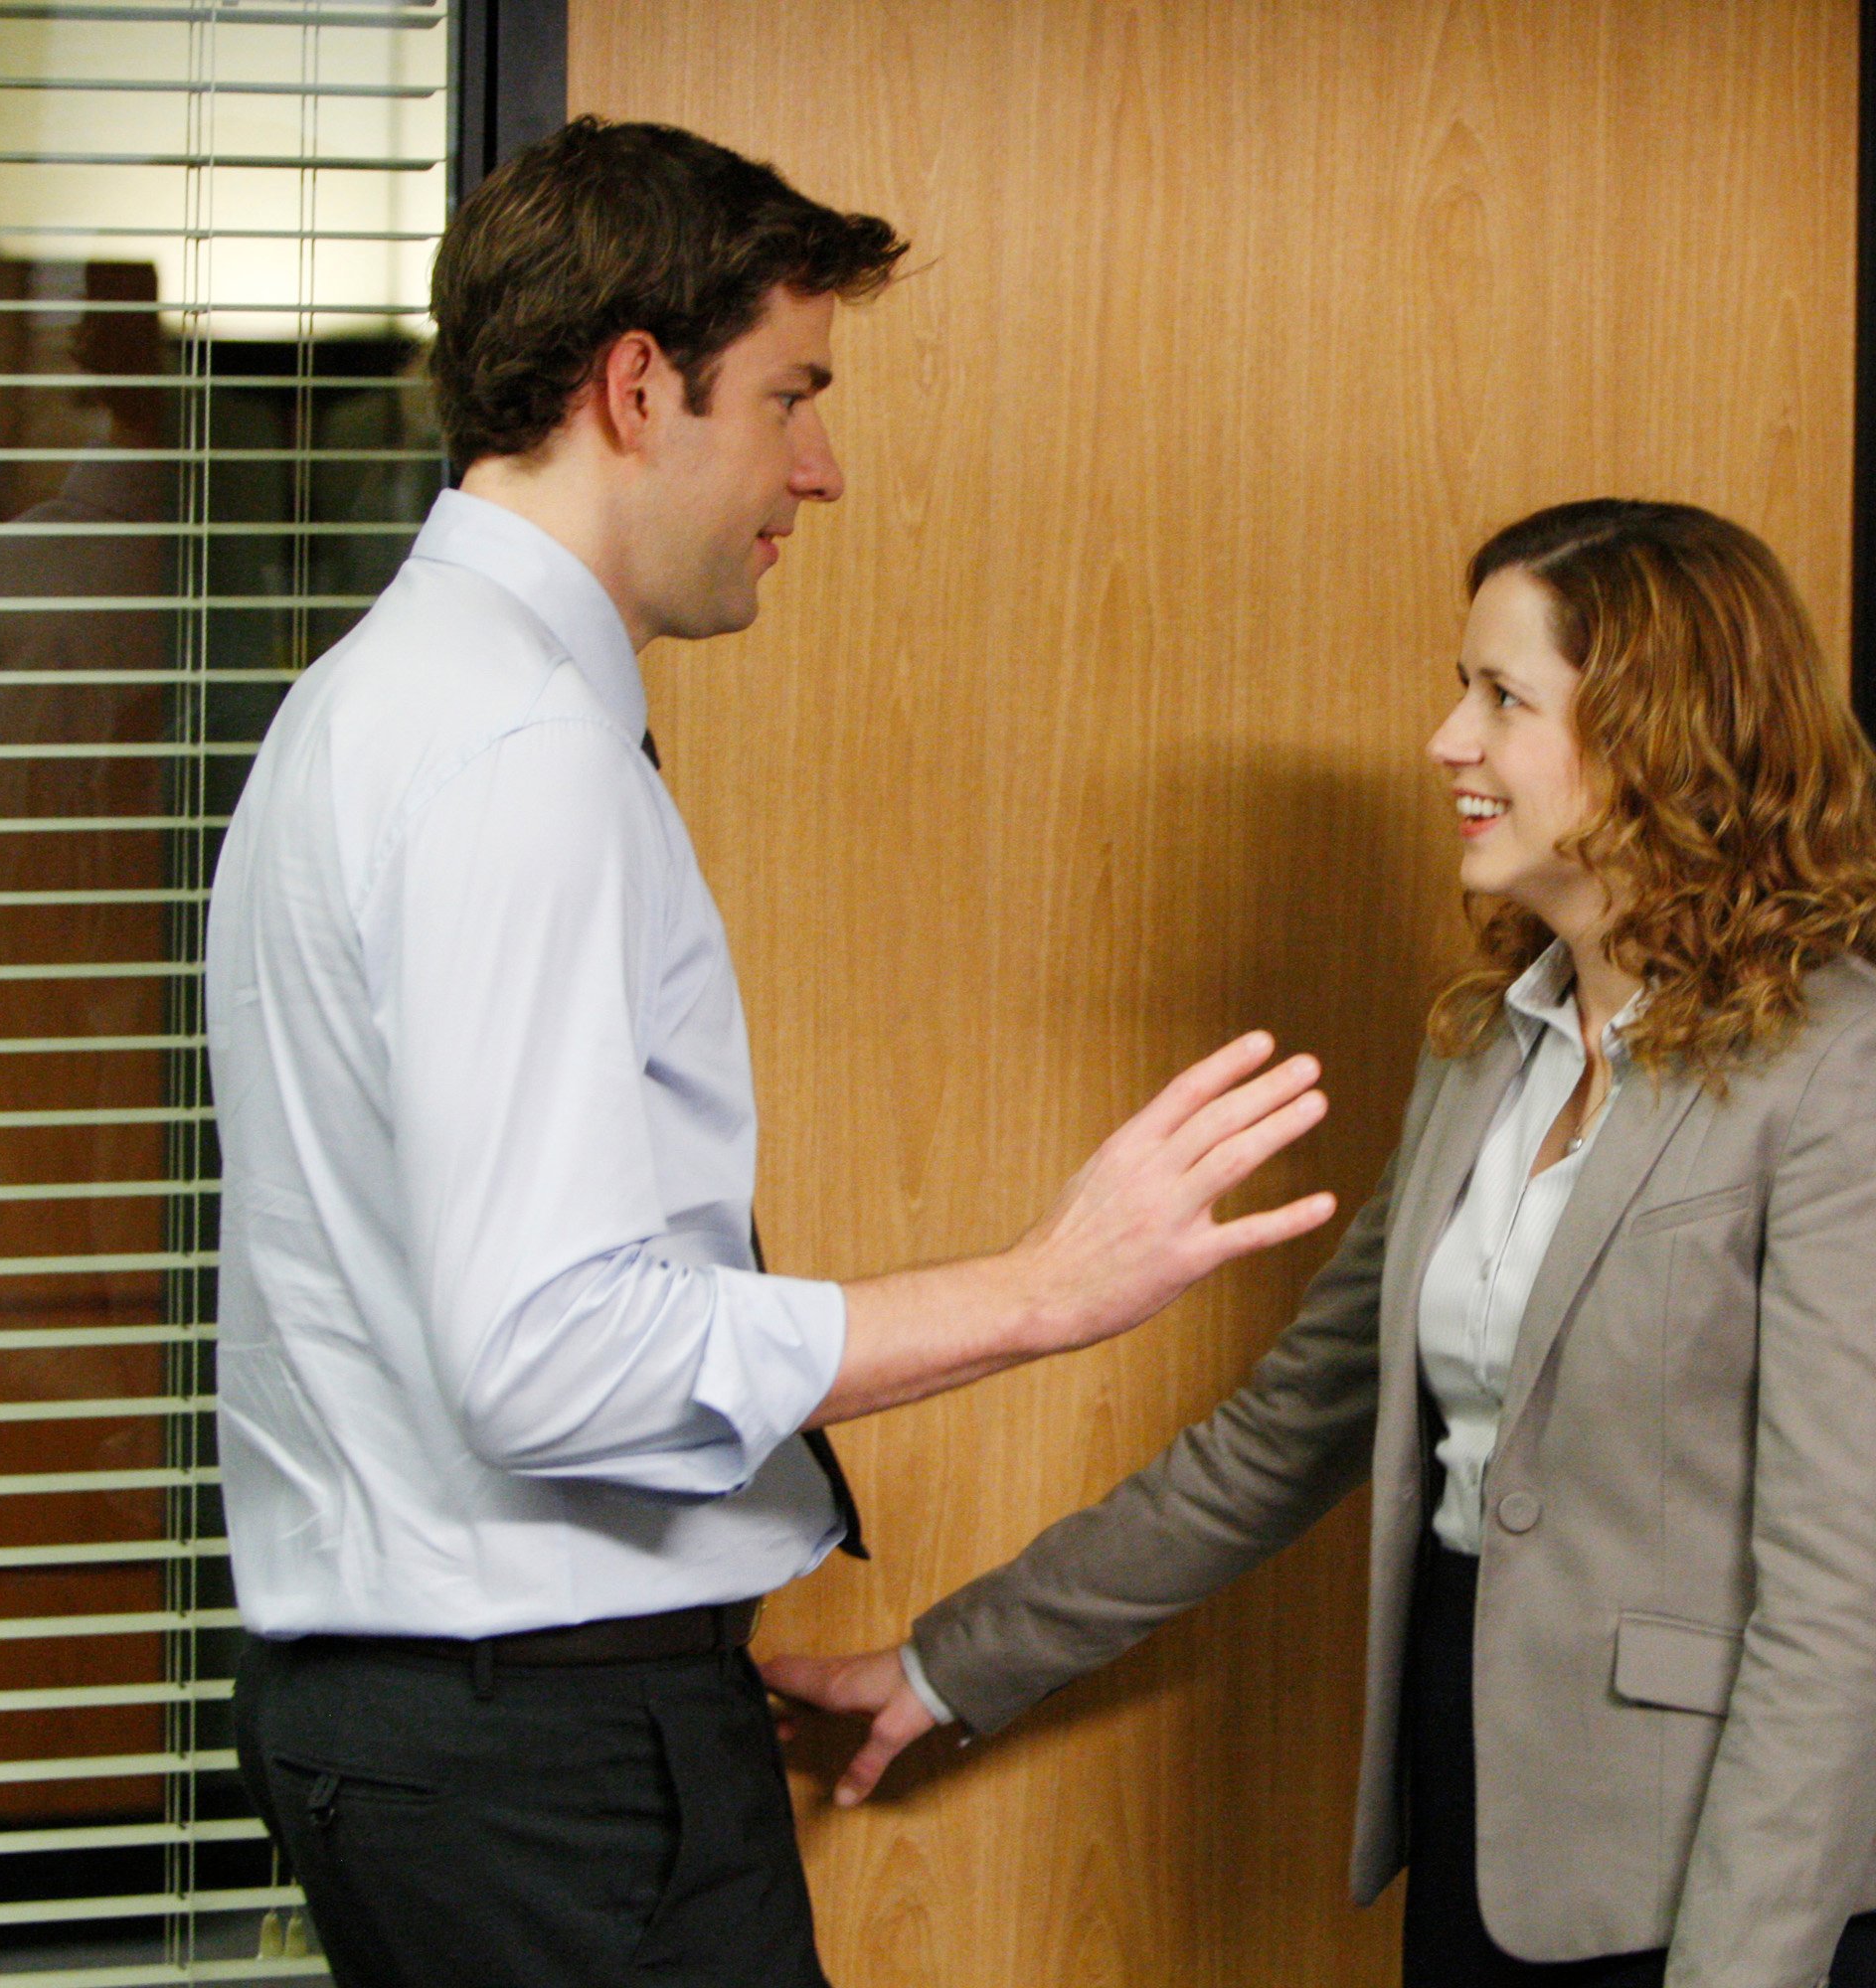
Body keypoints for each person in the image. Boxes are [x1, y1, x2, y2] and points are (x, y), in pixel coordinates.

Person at [207, 117, 1335, 1988]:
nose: (821, 470)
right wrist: (1044, 1292)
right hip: (548, 1770)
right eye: (791, 396)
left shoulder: (364, 708)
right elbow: (552, 1357)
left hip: (451, 1740)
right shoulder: (512, 755)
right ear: (637, 387)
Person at [768, 498, 1876, 1988]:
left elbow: (1845, 1605)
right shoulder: (1490, 1051)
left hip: (1744, 1897)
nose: (1445, 742)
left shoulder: (1853, 1070)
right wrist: (955, 1661)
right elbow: (1285, 1436)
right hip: (1481, 1834)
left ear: (1663, 734)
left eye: (1501, 698)